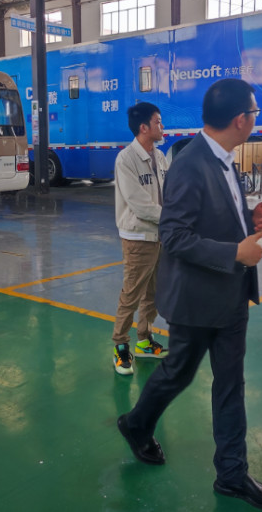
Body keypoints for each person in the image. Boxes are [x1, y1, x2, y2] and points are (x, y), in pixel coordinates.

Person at [117, 79, 262, 511]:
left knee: (230, 385)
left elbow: (211, 215)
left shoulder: (224, 159)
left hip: (230, 294)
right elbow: (174, 236)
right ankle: (137, 423)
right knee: (179, 372)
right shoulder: (191, 164)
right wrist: (235, 252)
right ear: (240, 120)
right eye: (254, 113)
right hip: (197, 298)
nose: (255, 119)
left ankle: (231, 475)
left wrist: (247, 219)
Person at [112, 102, 169, 375]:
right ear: (144, 127)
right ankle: (120, 344)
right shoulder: (126, 160)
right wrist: (172, 217)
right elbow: (139, 203)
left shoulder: (160, 157)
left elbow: (169, 192)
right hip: (138, 236)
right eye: (158, 122)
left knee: (153, 292)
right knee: (132, 293)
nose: (162, 127)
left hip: (160, 234)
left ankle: (144, 340)